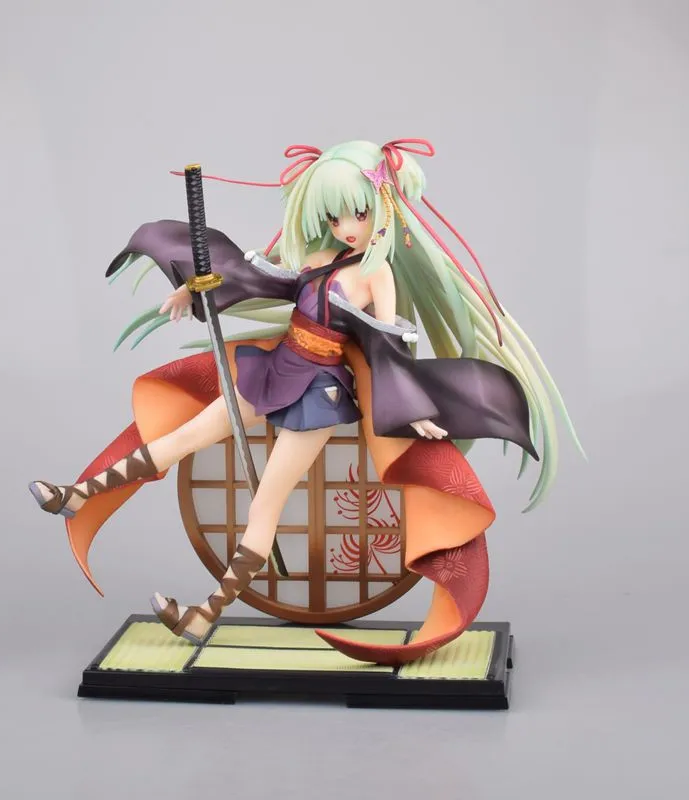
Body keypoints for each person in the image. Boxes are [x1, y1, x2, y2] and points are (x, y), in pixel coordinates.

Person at [29, 139, 583, 665]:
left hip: (320, 393)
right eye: (336, 217)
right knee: (184, 436)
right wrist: (195, 287)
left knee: (265, 504)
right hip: (277, 367)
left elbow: (386, 346)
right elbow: (264, 280)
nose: (346, 228)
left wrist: (414, 406)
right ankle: (78, 495)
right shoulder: (323, 258)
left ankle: (205, 613)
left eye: (357, 214)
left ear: (384, 207)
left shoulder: (377, 274)